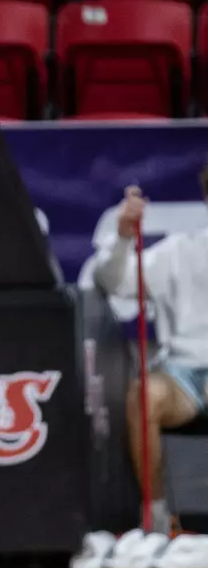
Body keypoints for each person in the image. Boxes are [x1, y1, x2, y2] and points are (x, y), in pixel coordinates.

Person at [93, 180, 208, 536]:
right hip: (182, 376)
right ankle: (158, 518)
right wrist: (124, 238)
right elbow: (114, 281)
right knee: (144, 396)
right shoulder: (179, 251)